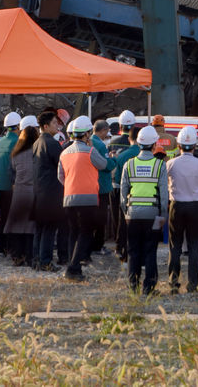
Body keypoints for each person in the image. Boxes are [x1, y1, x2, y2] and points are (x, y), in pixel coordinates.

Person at [57, 115, 109, 282]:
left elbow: (60, 176)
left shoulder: (64, 153)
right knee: (85, 233)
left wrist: (72, 184)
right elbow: (104, 165)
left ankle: (74, 267)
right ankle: (73, 268)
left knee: (73, 233)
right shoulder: (90, 151)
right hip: (88, 198)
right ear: (87, 134)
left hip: (69, 198)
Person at [120, 124, 169, 294]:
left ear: (139, 144)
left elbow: (122, 193)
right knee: (150, 250)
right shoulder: (159, 165)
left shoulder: (129, 164)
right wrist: (163, 217)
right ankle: (148, 288)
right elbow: (164, 196)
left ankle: (133, 286)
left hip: (132, 215)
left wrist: (126, 213)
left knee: (133, 250)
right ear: (155, 144)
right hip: (153, 216)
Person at [166, 125, 198, 294]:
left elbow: (165, 185)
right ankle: (192, 284)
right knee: (193, 246)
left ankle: (173, 282)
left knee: (174, 245)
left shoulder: (171, 164)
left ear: (178, 145)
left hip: (176, 206)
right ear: (195, 146)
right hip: (196, 206)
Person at [32, 109, 66, 271]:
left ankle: (37, 259)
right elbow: (62, 164)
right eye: (54, 123)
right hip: (51, 192)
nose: (57, 126)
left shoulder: (37, 142)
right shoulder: (52, 143)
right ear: (46, 126)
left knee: (40, 228)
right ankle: (46, 261)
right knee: (49, 228)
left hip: (38, 191)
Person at [3, 115, 38, 266]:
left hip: (18, 192)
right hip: (33, 192)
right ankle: (30, 256)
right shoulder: (37, 153)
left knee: (17, 225)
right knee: (30, 227)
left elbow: (11, 173)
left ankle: (17, 256)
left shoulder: (15, 153)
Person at [112, 125, 141, 261]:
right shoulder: (148, 156)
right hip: (143, 197)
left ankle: (121, 247)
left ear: (129, 138)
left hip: (125, 195)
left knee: (123, 222)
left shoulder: (122, 156)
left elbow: (117, 179)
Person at [0, 111, 21, 257]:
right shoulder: (16, 142)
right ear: (17, 126)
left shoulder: (0, 141)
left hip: (0, 187)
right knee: (12, 218)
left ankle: (2, 247)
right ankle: (11, 248)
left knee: (4, 218)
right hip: (11, 187)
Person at [90, 119, 117, 254]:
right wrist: (114, 159)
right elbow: (107, 165)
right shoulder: (100, 146)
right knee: (101, 218)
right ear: (103, 130)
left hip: (92, 185)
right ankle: (98, 245)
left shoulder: (89, 141)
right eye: (107, 131)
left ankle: (92, 244)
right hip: (102, 186)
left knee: (92, 217)